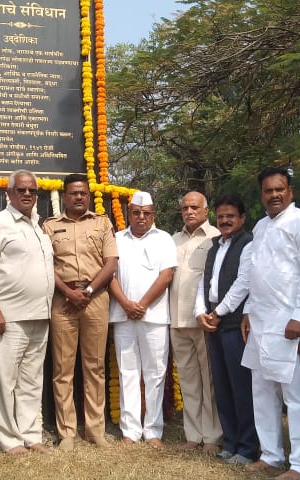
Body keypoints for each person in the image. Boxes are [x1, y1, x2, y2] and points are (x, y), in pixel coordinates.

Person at [242, 167, 300, 480]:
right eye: (268, 190)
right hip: (261, 321)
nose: (274, 195)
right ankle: (271, 455)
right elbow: (256, 273)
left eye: (279, 189)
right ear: (261, 194)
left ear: (290, 191)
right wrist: (248, 310)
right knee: (262, 391)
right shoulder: (261, 227)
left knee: (297, 395)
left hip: (291, 323)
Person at [0, 170, 55, 455]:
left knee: (32, 381)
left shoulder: (38, 226)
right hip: (7, 317)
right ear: (8, 194)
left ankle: (31, 435)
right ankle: (9, 439)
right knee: (5, 381)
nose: (27, 195)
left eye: (32, 191)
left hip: (39, 316)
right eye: (20, 190)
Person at [42, 173, 118, 450]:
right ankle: (67, 433)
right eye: (73, 193)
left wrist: (86, 292)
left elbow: (110, 264)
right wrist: (68, 292)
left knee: (94, 367)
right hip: (62, 299)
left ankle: (95, 429)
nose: (79, 197)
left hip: (95, 299)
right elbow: (45, 265)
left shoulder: (102, 222)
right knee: (63, 369)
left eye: (83, 193)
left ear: (88, 195)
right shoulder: (49, 227)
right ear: (64, 196)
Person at [194, 194, 259, 465]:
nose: (225, 220)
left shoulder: (248, 244)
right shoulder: (213, 247)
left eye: (230, 216)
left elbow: (243, 283)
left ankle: (247, 448)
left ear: (242, 218)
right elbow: (204, 283)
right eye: (221, 217)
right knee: (222, 386)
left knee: (240, 386)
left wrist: (217, 313)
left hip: (233, 325)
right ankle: (230, 442)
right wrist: (200, 312)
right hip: (213, 324)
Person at [108, 191, 177, 448]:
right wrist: (126, 304)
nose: (141, 217)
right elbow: (110, 275)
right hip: (124, 315)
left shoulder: (164, 239)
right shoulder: (116, 239)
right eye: (136, 212)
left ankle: (153, 430)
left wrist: (142, 305)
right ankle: (130, 430)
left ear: (153, 215)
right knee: (127, 372)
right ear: (129, 213)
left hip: (155, 317)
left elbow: (166, 275)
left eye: (146, 213)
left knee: (155, 373)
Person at [169, 191, 223, 454]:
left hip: (203, 320)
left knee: (209, 381)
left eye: (194, 207)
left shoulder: (216, 237)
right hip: (176, 319)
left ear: (206, 210)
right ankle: (193, 435)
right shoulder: (172, 240)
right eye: (185, 208)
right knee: (188, 380)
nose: (189, 212)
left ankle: (212, 437)